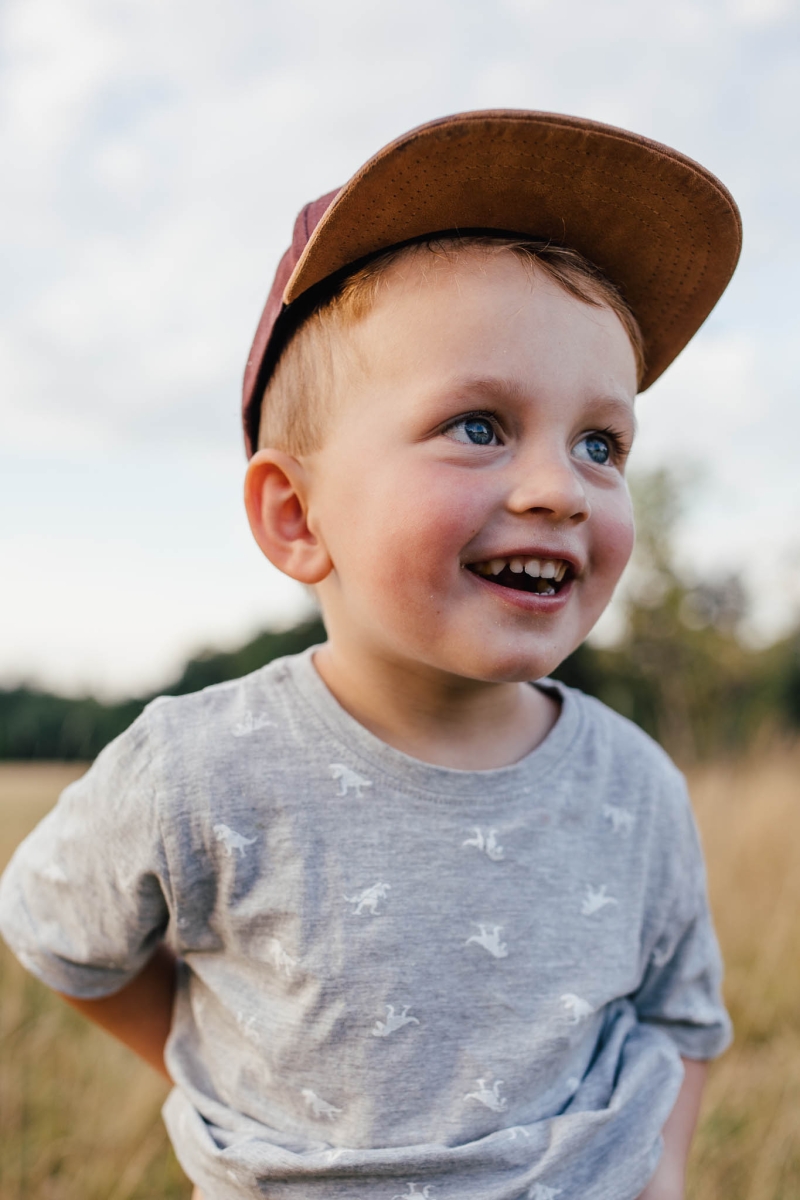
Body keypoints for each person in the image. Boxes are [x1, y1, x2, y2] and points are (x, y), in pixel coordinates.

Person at [0, 111, 741, 1200]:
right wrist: (225, 1076)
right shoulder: (198, 770)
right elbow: (58, 936)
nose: (558, 488)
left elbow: (682, 1017)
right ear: (297, 516)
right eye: (479, 425)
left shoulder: (632, 786)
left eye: (600, 443)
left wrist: (660, 1173)